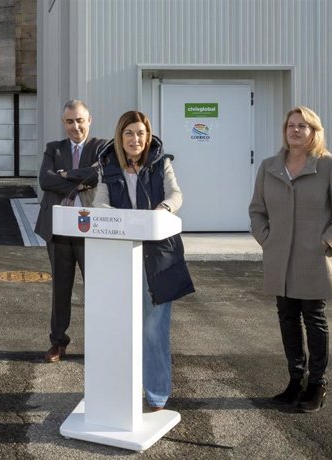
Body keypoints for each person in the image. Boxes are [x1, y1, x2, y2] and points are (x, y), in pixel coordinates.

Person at [249, 106, 332, 413]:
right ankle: (295, 380)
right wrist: (266, 238)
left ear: (314, 132)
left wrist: (327, 243)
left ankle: (317, 384)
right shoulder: (270, 166)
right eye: (291, 125)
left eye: (303, 126)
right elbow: (257, 210)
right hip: (279, 258)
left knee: (314, 318)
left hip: (314, 260)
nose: (295, 130)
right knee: (287, 317)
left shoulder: (328, 165)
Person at [93, 110, 195, 411]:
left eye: (140, 133)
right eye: (129, 133)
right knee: (120, 326)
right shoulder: (107, 164)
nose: (135, 139)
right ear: (119, 136)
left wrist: (164, 209)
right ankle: (122, 389)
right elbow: (100, 201)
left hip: (158, 256)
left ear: (148, 136)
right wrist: (114, 218)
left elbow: (176, 194)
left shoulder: (161, 162)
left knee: (154, 328)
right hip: (121, 256)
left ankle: (157, 395)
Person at [35, 100, 106, 363]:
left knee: (96, 288)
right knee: (61, 288)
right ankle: (58, 342)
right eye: (69, 121)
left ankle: (99, 341)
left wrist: (64, 176)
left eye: (79, 120)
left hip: (91, 229)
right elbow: (45, 180)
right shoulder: (54, 148)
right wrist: (78, 181)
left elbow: (98, 175)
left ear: (90, 119)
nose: (75, 126)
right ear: (64, 123)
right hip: (59, 228)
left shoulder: (100, 147)